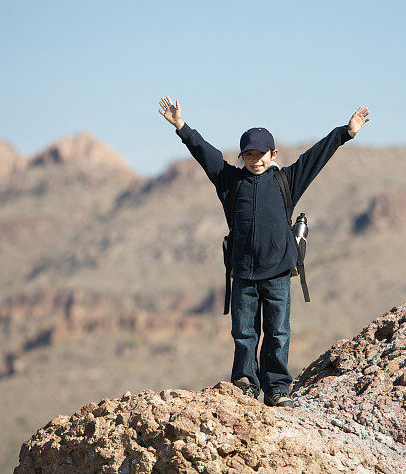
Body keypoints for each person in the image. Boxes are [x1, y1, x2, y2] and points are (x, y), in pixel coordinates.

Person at [158, 96, 371, 407]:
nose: (255, 160)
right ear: (242, 155)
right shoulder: (230, 181)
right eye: (249, 155)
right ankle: (245, 383)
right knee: (244, 332)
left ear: (274, 154)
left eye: (261, 154)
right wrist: (181, 127)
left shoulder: (286, 180)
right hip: (243, 273)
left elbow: (316, 157)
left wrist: (345, 132)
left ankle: (277, 388)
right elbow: (205, 154)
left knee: (278, 333)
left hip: (278, 273)